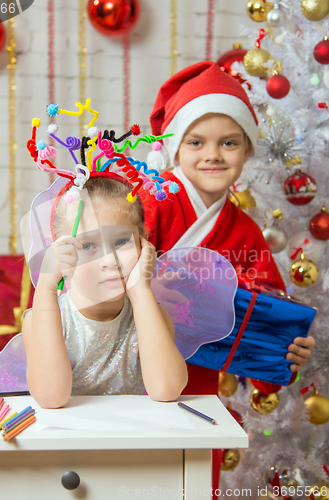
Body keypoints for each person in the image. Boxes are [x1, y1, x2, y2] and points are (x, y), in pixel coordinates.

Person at [140, 61, 315, 494]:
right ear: (175, 149)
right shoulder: (151, 203)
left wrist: (284, 350)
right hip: (126, 375)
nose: (213, 154)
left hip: (197, 390)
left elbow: (266, 315)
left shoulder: (246, 233)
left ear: (248, 152)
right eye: (196, 142)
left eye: (229, 143)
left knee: (191, 484)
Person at [22, 173, 188, 409]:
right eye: (88, 245)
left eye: (122, 242)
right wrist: (47, 287)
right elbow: (51, 397)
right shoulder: (40, 320)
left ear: (144, 243)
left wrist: (141, 292)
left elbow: (167, 390)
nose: (110, 260)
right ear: (60, 256)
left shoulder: (152, 315)